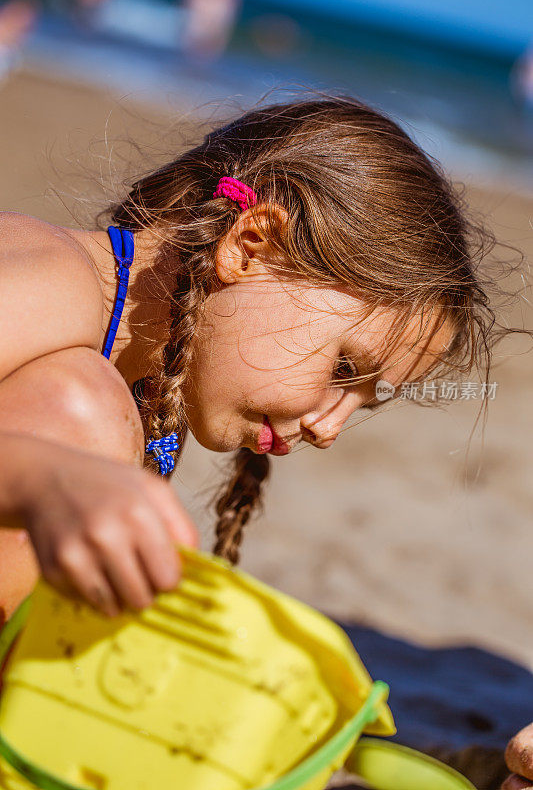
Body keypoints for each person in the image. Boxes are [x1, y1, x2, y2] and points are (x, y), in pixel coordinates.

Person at [0, 96, 530, 789]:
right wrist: (44, 477)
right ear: (248, 245)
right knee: (82, 414)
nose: (329, 428)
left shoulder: (153, 391)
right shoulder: (51, 281)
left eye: (364, 402)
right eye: (343, 369)